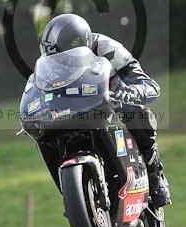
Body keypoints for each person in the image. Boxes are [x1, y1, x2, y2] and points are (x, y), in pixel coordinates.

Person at [39, 13, 171, 208]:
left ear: (79, 44)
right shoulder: (49, 62)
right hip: (71, 110)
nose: (61, 63)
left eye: (64, 57)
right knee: (43, 132)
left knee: (135, 111)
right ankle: (71, 194)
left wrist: (133, 91)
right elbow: (38, 90)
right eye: (55, 59)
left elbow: (146, 82)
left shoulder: (106, 48)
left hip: (109, 102)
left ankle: (154, 172)